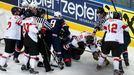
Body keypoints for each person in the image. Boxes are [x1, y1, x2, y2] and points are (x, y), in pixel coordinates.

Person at [0, 7, 22, 71]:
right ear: (15, 12)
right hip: (10, 37)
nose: (19, 12)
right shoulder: (16, 17)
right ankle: (1, 64)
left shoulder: (13, 17)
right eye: (18, 11)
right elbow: (21, 23)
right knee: (7, 52)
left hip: (11, 37)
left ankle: (4, 63)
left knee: (11, 52)